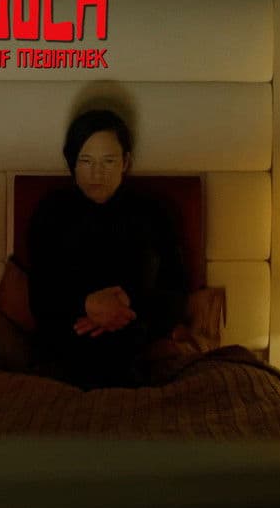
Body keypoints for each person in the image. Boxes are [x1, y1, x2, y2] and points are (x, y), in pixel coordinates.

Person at [27, 109, 190, 388]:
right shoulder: (51, 212)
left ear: (125, 162)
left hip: (141, 351)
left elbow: (175, 292)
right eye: (86, 161)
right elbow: (41, 296)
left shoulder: (153, 213)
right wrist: (86, 305)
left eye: (109, 161)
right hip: (66, 354)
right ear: (71, 162)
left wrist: (124, 309)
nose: (97, 173)